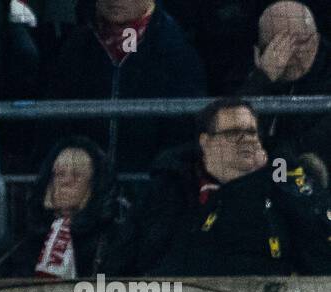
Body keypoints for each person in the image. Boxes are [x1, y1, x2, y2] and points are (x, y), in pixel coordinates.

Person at [109, 97, 331, 276]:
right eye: (234, 133)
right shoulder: (167, 189)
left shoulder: (281, 185)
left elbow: (319, 254)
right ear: (206, 142)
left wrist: (256, 179)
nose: (248, 140)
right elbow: (124, 260)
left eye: (252, 132)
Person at [46, 0, 207, 172]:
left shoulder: (178, 49)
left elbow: (183, 135)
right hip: (85, 184)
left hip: (151, 183)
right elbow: (52, 129)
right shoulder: (75, 48)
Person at [0, 135, 121, 279]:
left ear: (95, 184)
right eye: (60, 174)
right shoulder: (20, 241)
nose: (66, 182)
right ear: (48, 182)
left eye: (76, 175)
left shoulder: (114, 240)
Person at [239, 2, 331, 170]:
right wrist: (262, 79)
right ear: (258, 51)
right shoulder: (252, 70)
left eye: (299, 43)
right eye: (275, 46)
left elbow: (304, 150)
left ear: (315, 41)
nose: (287, 56)